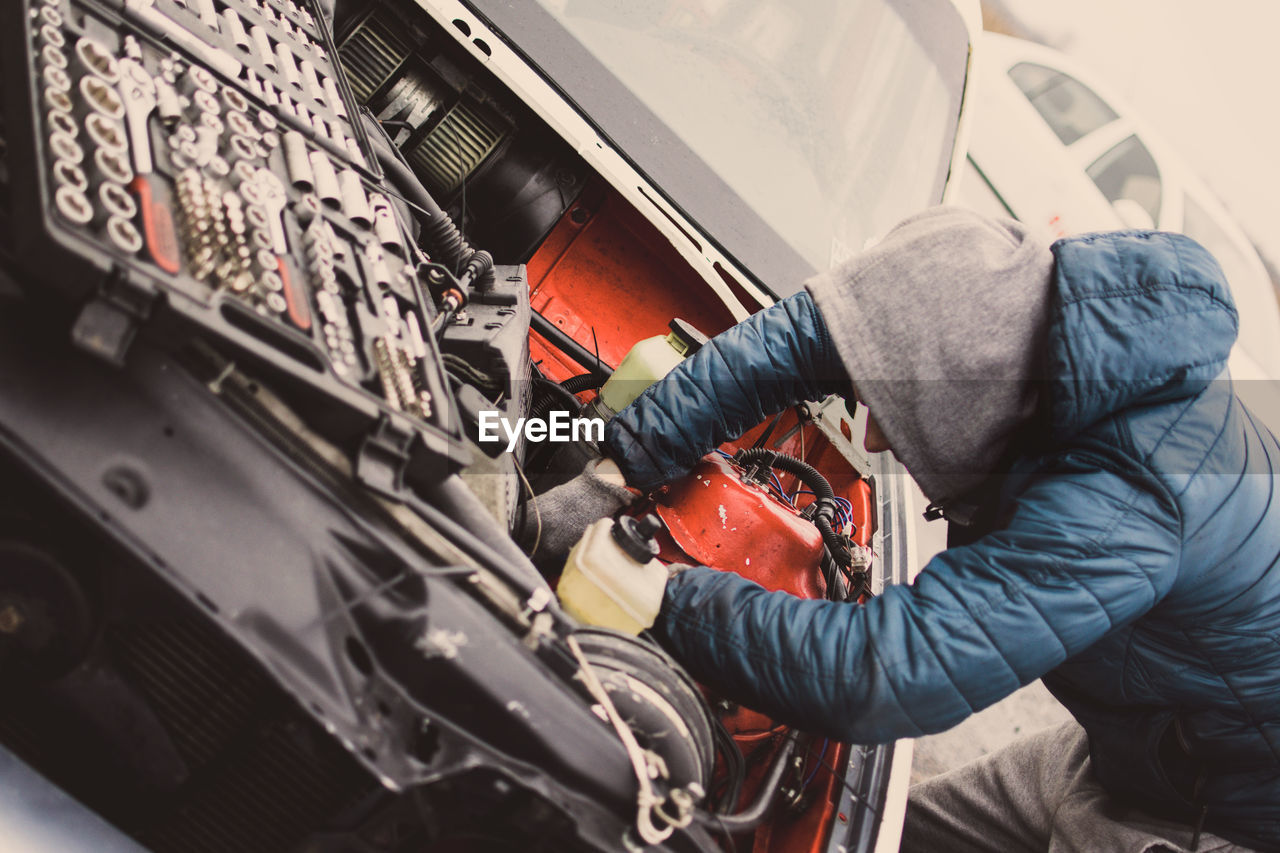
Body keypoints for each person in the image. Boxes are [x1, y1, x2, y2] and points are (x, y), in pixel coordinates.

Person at [532, 207, 1280, 852]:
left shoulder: (1124, 497)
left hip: (1207, 821)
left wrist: (662, 593)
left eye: (891, 419)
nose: (880, 444)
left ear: (967, 400)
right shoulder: (1016, 315)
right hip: (1135, 748)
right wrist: (618, 467)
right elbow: (806, 339)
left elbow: (885, 674)